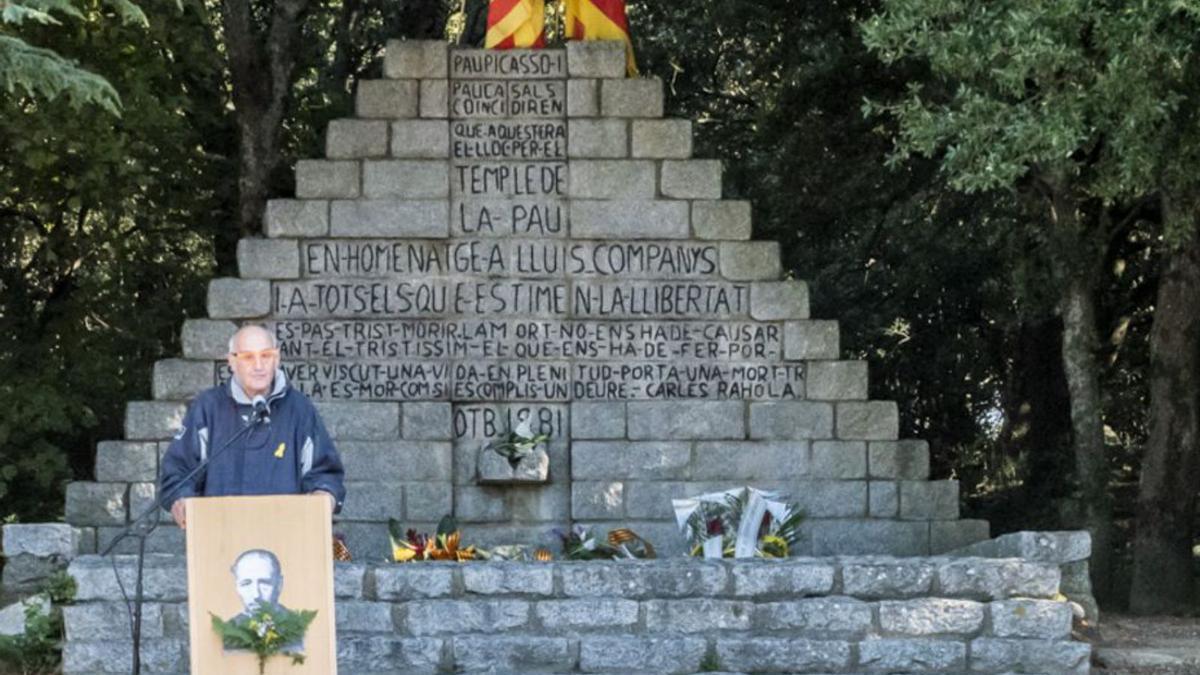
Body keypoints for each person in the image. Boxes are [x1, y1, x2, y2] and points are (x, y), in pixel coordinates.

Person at [159, 325, 345, 528]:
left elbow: (325, 473)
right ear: (232, 361)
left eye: (266, 355)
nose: (258, 365)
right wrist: (181, 499)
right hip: (220, 536)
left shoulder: (300, 409)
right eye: (248, 357)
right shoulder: (208, 408)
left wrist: (324, 495)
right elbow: (178, 471)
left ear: (277, 359)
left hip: (285, 535)